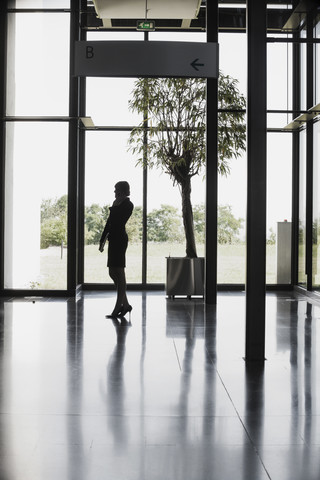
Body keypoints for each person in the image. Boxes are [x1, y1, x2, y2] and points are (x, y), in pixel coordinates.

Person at [99, 181, 134, 319]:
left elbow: (119, 221)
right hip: (112, 240)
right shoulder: (116, 204)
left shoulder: (128, 204)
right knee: (112, 272)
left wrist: (115, 206)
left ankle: (118, 307)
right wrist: (102, 240)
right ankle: (125, 304)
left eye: (116, 190)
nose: (114, 192)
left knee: (119, 271)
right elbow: (109, 223)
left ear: (122, 190)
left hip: (120, 240)